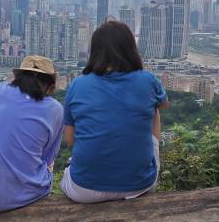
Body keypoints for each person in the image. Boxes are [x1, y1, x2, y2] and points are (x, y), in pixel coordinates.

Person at [60, 21, 169, 203]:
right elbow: (164, 104)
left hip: (84, 189)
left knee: (70, 167)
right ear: (130, 49)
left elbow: (70, 140)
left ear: (94, 51)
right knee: (155, 110)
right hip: (139, 185)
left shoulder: (78, 84)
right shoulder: (148, 80)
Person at [0, 55, 63, 212]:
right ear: (50, 85)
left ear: (18, 77)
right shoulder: (55, 109)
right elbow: (47, 158)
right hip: (29, 195)